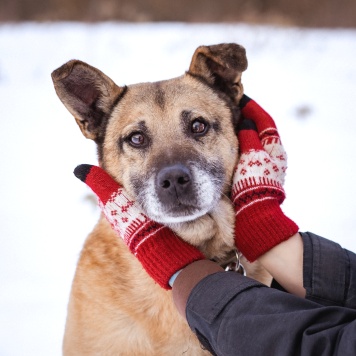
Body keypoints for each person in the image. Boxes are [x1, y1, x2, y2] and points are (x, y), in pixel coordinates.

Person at [74, 95, 356, 355]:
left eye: (198, 126)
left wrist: (181, 270)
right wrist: (265, 232)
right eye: (136, 138)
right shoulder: (99, 300)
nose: (173, 173)